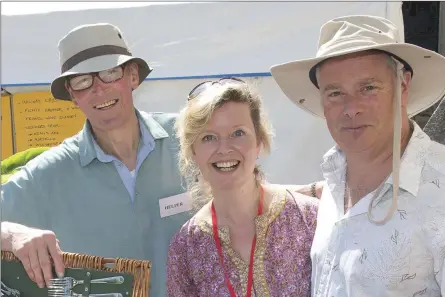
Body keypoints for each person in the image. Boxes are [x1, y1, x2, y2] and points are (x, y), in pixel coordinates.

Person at [1, 23, 320, 296]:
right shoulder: (50, 173)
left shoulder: (190, 137)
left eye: (110, 73)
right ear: (73, 94)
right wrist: (14, 236)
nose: (99, 89)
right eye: (83, 82)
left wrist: (308, 193)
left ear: (132, 76)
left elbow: (239, 179)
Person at [270, 15, 445, 296]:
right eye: (335, 93)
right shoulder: (334, 183)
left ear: (403, 87)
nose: (351, 108)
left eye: (368, 88)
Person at [166, 78, 320, 296]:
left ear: (259, 141)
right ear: (193, 151)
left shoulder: (309, 217)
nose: (224, 148)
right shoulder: (186, 246)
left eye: (238, 133)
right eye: (209, 137)